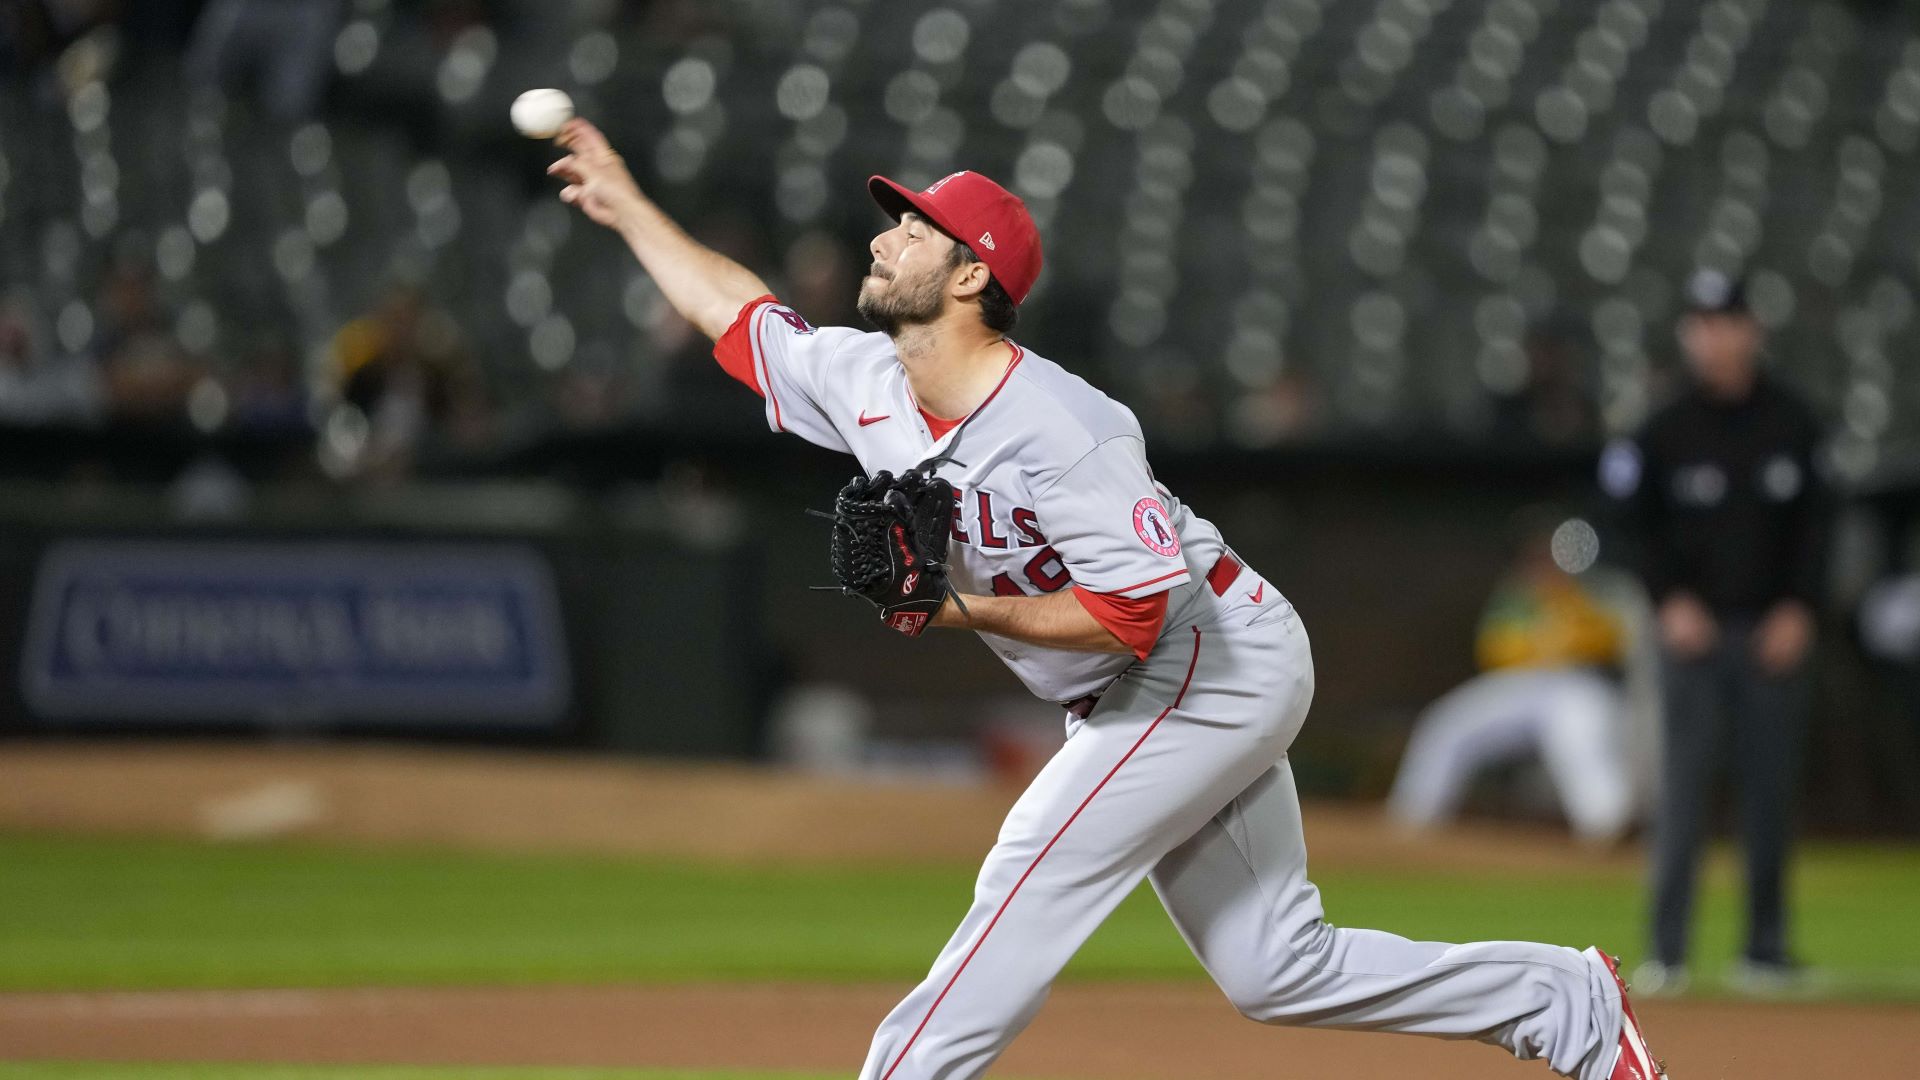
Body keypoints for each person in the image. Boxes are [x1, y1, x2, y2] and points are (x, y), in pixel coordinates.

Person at [548, 118, 1665, 1080]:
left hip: (1204, 658)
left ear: (973, 276)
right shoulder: (870, 384)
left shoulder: (1065, 429)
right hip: (1155, 681)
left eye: (915, 227)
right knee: (1277, 965)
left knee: (1029, 863)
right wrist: (631, 206)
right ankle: (1564, 1003)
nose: (886, 234)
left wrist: (952, 610)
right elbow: (740, 320)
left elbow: (1132, 615)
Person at [1602, 269, 1828, 996]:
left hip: (1772, 633)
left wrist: (1800, 605)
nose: (1715, 336)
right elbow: (1626, 531)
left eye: (1727, 320)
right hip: (1690, 636)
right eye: (1702, 322)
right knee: (1682, 790)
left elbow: (1819, 529)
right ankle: (1666, 954)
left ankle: (1765, 950)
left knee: (1770, 791)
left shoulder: (1796, 422)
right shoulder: (1662, 429)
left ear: (1751, 330)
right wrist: (1667, 600)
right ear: (1688, 334)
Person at [1388, 511, 1637, 845]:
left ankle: (1607, 824)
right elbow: (1491, 647)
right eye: (1542, 552)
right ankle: (1412, 817)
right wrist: (1540, 643)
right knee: (1447, 723)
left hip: (1577, 684)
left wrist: (1565, 625)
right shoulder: (1517, 595)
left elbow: (1613, 641)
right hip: (1522, 684)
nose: (1549, 560)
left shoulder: (1596, 589)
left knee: (1579, 733)